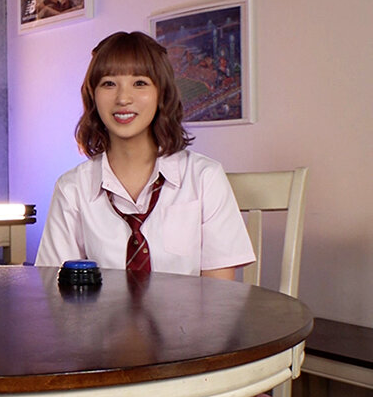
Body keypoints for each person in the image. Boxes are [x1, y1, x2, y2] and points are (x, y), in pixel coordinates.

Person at [35, 31, 255, 280]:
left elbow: (219, 294)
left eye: (139, 83)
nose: (123, 98)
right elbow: (55, 288)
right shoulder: (72, 188)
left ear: (162, 93)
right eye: (109, 83)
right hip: (100, 308)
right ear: (92, 95)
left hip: (190, 308)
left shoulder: (205, 178)